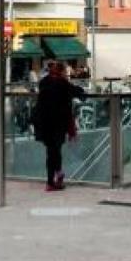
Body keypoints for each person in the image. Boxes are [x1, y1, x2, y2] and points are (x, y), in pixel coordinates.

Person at [33, 61, 83, 191]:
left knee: (51, 151)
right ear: (61, 72)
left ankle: (55, 178)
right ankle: (54, 179)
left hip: (44, 121)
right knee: (55, 150)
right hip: (58, 122)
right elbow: (78, 92)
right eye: (65, 71)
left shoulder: (44, 82)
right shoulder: (63, 83)